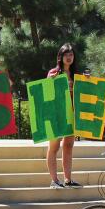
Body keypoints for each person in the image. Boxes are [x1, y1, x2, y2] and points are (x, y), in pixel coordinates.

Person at [45, 44, 81, 189]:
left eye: (71, 54)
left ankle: (68, 179)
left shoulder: (76, 74)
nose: (69, 57)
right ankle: (54, 180)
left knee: (68, 146)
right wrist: (49, 81)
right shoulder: (53, 73)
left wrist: (87, 82)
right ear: (60, 57)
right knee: (54, 146)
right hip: (57, 114)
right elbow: (46, 93)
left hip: (71, 115)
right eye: (66, 54)